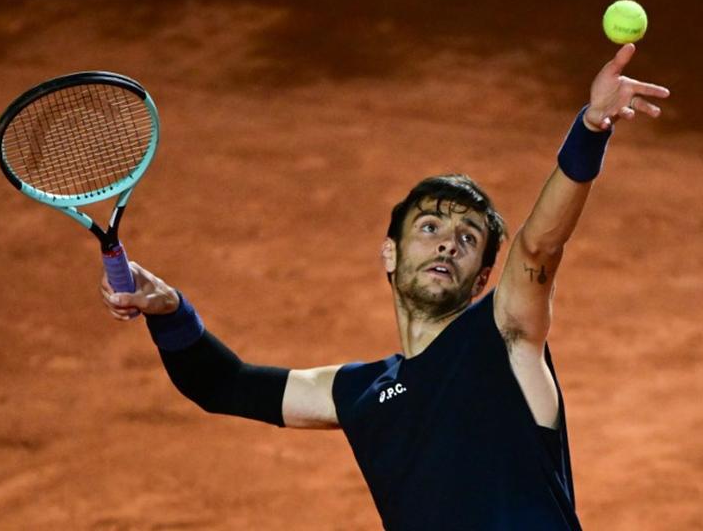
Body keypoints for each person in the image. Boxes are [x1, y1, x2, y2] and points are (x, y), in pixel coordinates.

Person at [100, 43, 669, 530]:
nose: (448, 243)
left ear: (483, 279)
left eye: (468, 238)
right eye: (430, 228)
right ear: (390, 254)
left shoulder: (503, 338)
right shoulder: (360, 392)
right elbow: (224, 385)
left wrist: (591, 129)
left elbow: (539, 246)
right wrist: (170, 311)